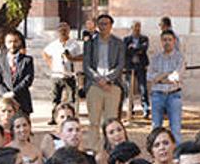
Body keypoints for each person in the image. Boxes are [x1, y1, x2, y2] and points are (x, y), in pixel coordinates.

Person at [83, 13, 126, 147]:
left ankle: (111, 149)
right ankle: (92, 149)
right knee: (94, 121)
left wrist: (107, 79)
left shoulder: (118, 43)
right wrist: (98, 79)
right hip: (95, 86)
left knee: (111, 122)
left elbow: (120, 65)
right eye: (101, 24)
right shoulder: (90, 42)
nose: (103, 27)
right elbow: (86, 65)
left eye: (106, 24)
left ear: (111, 26)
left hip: (112, 86)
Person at [147, 29, 184, 142]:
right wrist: (167, 74)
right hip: (157, 95)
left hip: (174, 95)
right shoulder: (155, 58)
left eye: (169, 40)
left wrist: (159, 78)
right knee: (156, 127)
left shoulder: (180, 58)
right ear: (161, 41)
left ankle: (177, 156)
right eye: (164, 40)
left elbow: (176, 77)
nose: (167, 42)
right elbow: (150, 77)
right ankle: (155, 154)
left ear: (174, 41)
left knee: (175, 128)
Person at [42, 22, 81, 116]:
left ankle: (71, 115)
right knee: (55, 98)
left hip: (69, 75)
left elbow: (81, 57)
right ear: (57, 32)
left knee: (72, 97)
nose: (63, 32)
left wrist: (71, 58)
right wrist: (50, 64)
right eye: (61, 30)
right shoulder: (54, 44)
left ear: (69, 31)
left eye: (65, 30)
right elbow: (45, 53)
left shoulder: (74, 44)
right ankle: (54, 116)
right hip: (56, 75)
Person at [124, 21, 149, 119]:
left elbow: (144, 48)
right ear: (131, 28)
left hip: (141, 66)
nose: (137, 29)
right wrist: (136, 50)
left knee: (143, 88)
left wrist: (133, 49)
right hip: (130, 66)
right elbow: (125, 50)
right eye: (135, 27)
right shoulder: (126, 39)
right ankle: (130, 109)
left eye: (138, 27)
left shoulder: (144, 38)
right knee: (129, 88)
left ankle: (146, 109)